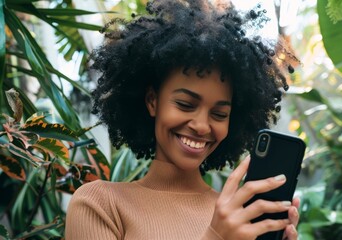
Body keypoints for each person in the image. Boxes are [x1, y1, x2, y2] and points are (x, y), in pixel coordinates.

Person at [65, 0, 300, 239]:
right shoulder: (101, 204)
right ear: (152, 101)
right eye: (185, 104)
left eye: (219, 114)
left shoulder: (238, 220)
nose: (201, 126)